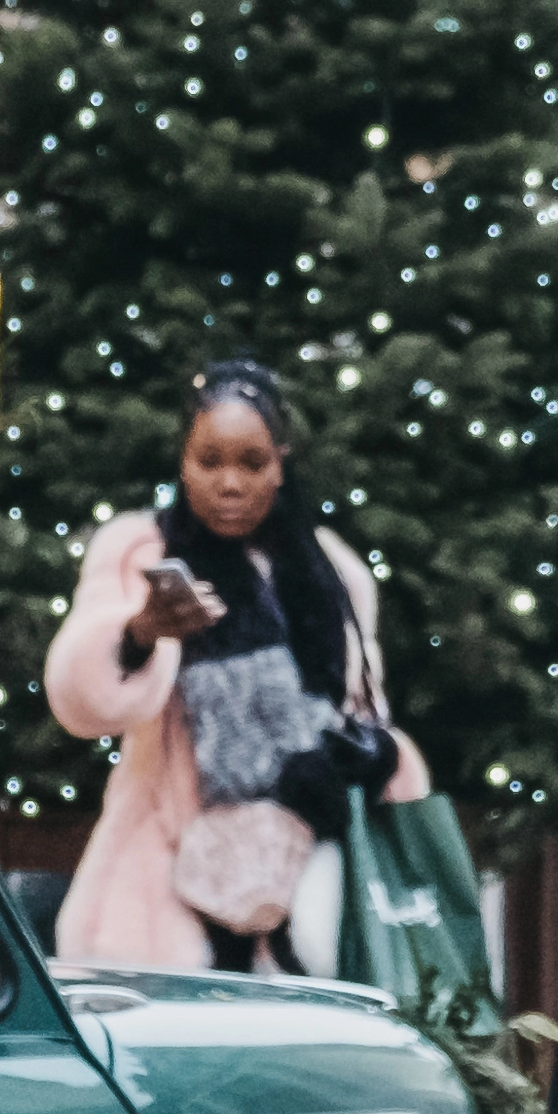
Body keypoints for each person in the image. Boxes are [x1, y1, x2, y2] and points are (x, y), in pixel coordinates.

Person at [41, 362, 426, 973]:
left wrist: (371, 758)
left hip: (310, 867)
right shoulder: (141, 552)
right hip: (171, 875)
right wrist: (141, 632)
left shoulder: (332, 572)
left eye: (252, 463)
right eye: (209, 460)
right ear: (182, 459)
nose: (229, 484)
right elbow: (79, 704)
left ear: (282, 460)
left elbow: (364, 714)